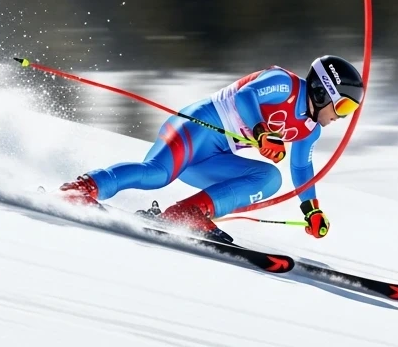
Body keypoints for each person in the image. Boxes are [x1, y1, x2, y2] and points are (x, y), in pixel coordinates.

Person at [60, 55, 364, 242]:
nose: (342, 116)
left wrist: (311, 210)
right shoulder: (284, 83)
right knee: (157, 174)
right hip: (199, 126)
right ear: (323, 91)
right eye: (344, 105)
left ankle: (187, 214)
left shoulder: (310, 130)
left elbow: (301, 169)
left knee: (269, 178)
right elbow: (246, 98)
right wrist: (261, 133)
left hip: (216, 157)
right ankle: (82, 188)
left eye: (349, 110)